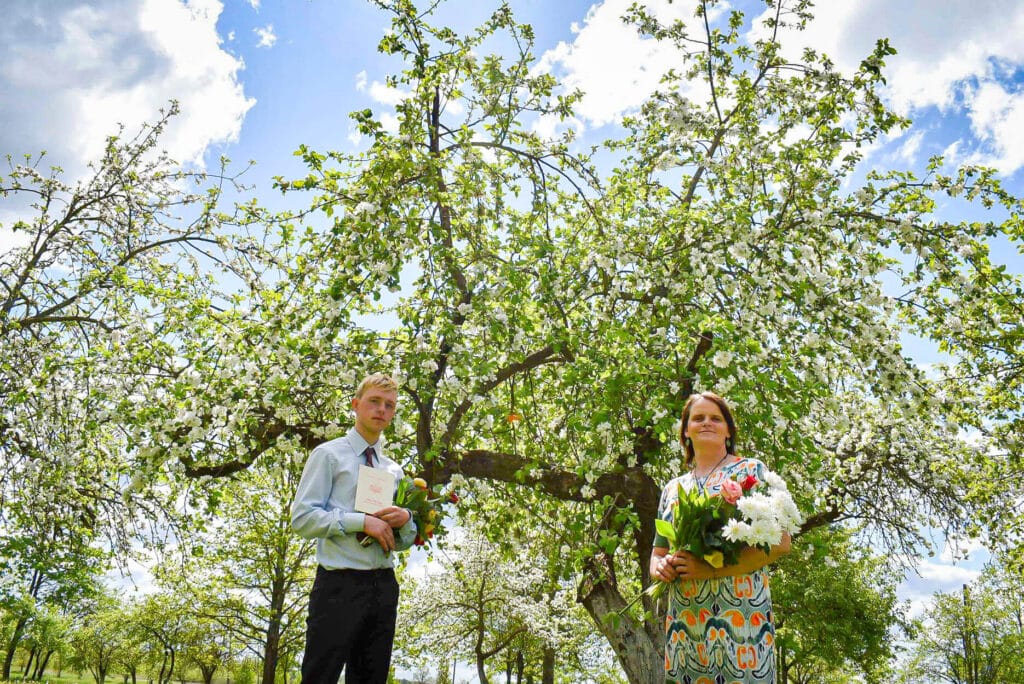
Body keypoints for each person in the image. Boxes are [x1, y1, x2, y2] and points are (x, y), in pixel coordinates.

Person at [650, 391, 792, 684]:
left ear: (728, 430)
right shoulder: (672, 489)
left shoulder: (750, 471)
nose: (707, 423)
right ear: (686, 431)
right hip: (686, 623)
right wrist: (660, 568)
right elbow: (657, 554)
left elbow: (781, 542)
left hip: (742, 619)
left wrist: (710, 569)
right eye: (698, 418)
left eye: (716, 418)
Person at [291, 373, 418, 684]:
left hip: (384, 585)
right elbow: (302, 519)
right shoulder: (329, 455)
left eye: (389, 405)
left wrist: (405, 522)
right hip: (339, 584)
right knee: (320, 677)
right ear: (356, 404)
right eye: (374, 401)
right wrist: (361, 521)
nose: (381, 410)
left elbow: (400, 542)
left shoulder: (394, 469)